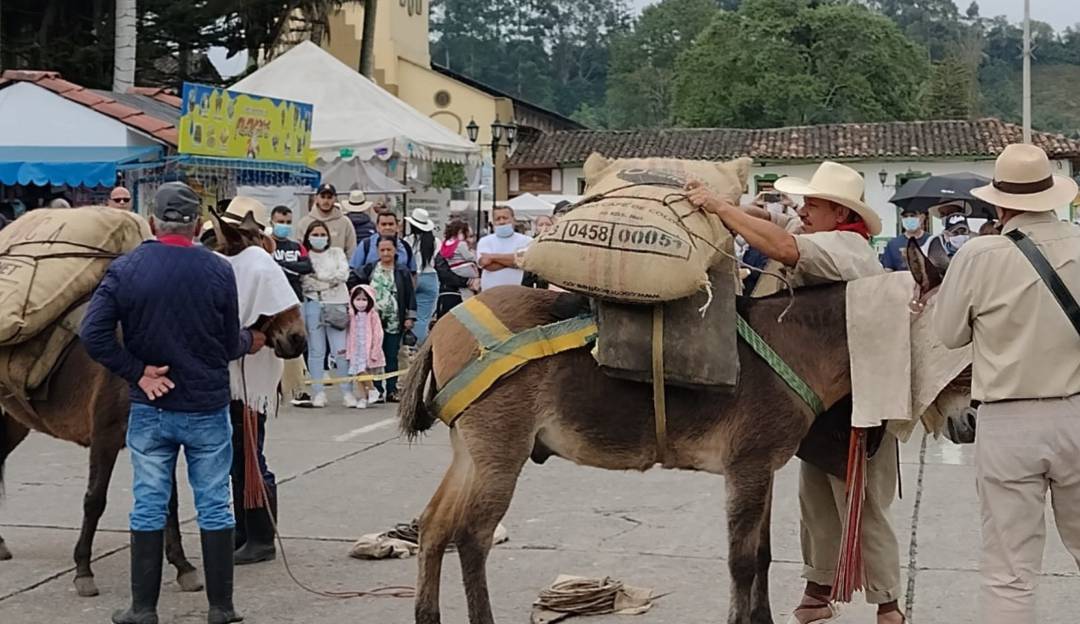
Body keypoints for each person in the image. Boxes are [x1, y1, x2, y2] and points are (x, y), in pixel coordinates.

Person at [686, 162, 902, 624]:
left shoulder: (845, 248)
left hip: (854, 401)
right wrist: (730, 205)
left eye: (814, 205)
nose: (803, 211)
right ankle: (817, 593)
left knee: (860, 506)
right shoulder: (824, 235)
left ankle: (888, 604)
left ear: (840, 214)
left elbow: (782, 245)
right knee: (816, 502)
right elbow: (774, 224)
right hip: (816, 394)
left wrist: (718, 206)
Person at [80, 182, 262, 624]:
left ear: (151, 223)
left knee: (148, 502)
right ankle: (221, 608)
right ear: (199, 225)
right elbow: (224, 343)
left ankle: (143, 609)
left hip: (151, 407)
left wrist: (137, 371)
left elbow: (92, 334)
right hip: (205, 408)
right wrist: (250, 340)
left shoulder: (126, 269)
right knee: (215, 503)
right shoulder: (219, 271)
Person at [931, 144, 1080, 624]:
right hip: (1077, 413)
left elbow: (948, 334)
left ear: (1000, 203)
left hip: (1008, 420)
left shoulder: (979, 254)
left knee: (1010, 571)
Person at [299, 221, 353, 408]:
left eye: (323, 234)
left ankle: (347, 391)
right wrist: (327, 280)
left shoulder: (337, 252)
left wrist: (319, 278)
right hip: (313, 304)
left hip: (337, 303)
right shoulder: (305, 255)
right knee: (316, 350)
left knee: (340, 350)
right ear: (308, 236)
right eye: (315, 234)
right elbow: (306, 282)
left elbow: (343, 275)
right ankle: (318, 392)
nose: (319, 237)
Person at [356, 236, 416, 402]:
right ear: (377, 251)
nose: (386, 253)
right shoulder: (370, 269)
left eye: (389, 249)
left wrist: (409, 317)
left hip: (394, 319)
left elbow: (410, 295)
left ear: (395, 250)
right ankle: (376, 389)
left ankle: (391, 389)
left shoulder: (402, 271)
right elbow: (355, 280)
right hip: (372, 321)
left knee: (391, 354)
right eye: (382, 250)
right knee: (374, 355)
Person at [345, 285, 385, 409]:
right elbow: (348, 334)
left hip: (367, 351)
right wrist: (347, 351)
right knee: (358, 375)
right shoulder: (352, 316)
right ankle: (363, 397)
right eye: (358, 299)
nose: (361, 303)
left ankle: (373, 390)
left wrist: (375, 351)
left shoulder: (373, 315)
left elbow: (378, 334)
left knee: (362, 372)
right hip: (355, 351)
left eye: (364, 299)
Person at [404, 208, 440, 344]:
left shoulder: (407, 240)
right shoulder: (435, 241)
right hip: (430, 276)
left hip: (412, 276)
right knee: (424, 318)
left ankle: (409, 345)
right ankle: (420, 347)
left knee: (409, 313)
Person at [476, 205, 532, 291]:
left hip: (517, 293)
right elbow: (486, 264)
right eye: (498, 219)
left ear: (513, 219)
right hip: (490, 293)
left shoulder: (526, 241)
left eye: (505, 218)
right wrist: (514, 260)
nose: (502, 222)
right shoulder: (485, 241)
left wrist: (492, 257)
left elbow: (525, 262)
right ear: (493, 222)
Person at [296, 183, 357, 257]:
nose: (326, 201)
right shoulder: (304, 223)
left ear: (335, 199)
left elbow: (351, 250)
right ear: (316, 198)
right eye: (322, 197)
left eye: (329, 197)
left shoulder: (345, 222)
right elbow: (299, 250)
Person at [434, 220, 480, 319]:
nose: (469, 240)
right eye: (467, 236)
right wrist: (468, 282)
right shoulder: (443, 254)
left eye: (471, 236)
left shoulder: (448, 249)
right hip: (452, 296)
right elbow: (445, 274)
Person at [351, 210, 417, 274]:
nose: (387, 227)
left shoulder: (405, 246)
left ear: (397, 227)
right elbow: (353, 270)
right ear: (377, 227)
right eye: (384, 224)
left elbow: (413, 272)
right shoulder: (366, 245)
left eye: (391, 224)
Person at [268, 206, 312, 300]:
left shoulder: (297, 246)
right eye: (280, 222)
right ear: (271, 223)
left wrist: (283, 264)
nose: (285, 225)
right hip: (272, 296)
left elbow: (307, 266)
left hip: (295, 296)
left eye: (288, 222)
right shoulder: (265, 245)